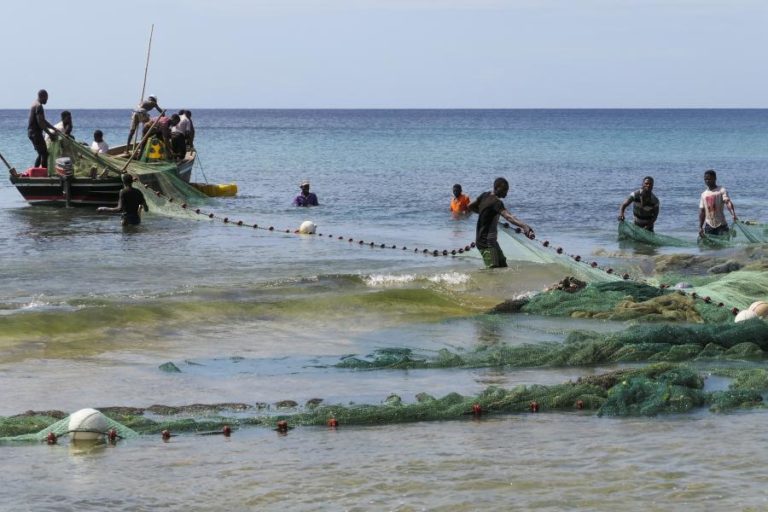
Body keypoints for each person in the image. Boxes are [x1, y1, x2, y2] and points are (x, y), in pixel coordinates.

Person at [468, 177, 534, 268]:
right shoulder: (496, 203)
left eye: (507, 190)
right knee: (492, 270)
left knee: (503, 265)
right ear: (497, 188)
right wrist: (524, 226)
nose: (506, 193)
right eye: (504, 190)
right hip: (485, 242)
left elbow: (470, 206)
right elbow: (508, 217)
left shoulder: (485, 195)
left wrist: (485, 214)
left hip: (491, 242)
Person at [699, 169, 737, 237]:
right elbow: (702, 212)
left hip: (721, 225)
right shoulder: (703, 194)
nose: (707, 181)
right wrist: (700, 227)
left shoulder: (721, 190)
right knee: (709, 244)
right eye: (705, 179)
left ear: (715, 178)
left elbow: (727, 202)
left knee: (724, 242)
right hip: (709, 226)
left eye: (709, 179)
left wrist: (733, 214)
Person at [28, 89, 57, 168]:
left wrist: (53, 128)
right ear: (42, 97)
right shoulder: (39, 106)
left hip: (31, 133)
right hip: (35, 133)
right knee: (44, 154)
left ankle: (35, 170)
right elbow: (40, 123)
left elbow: (43, 120)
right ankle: (44, 173)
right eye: (46, 98)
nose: (47, 100)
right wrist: (50, 134)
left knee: (41, 153)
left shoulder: (34, 104)